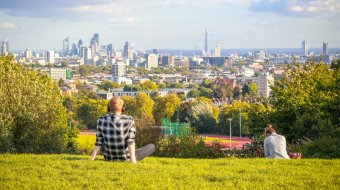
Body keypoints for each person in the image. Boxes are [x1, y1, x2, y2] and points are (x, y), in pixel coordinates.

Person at [91, 96, 155, 164]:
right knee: (152, 146)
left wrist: (92, 159)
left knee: (103, 140)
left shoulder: (101, 120)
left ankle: (99, 156)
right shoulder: (129, 120)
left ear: (108, 108)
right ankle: (132, 156)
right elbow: (130, 141)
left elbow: (98, 142)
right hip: (125, 157)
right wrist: (133, 161)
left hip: (108, 157)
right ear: (123, 108)